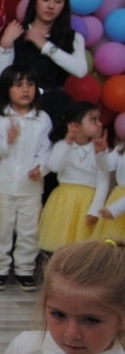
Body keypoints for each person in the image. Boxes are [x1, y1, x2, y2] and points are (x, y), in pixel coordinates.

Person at [0, 65, 52, 291]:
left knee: (29, 231)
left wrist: (39, 168)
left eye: (30, 84)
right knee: (1, 229)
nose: (25, 89)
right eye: (19, 85)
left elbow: (46, 151)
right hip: (2, 185)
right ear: (7, 89)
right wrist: (8, 141)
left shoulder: (42, 119)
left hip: (31, 188)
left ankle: (25, 270)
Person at [0, 0, 87, 124]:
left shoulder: (73, 38)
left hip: (54, 108)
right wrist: (5, 44)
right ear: (35, 1)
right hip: (19, 109)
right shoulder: (17, 32)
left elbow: (80, 71)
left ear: (64, 5)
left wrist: (45, 46)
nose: (51, 6)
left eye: (58, 1)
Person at [38, 101, 109, 253]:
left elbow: (103, 182)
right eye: (93, 120)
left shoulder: (100, 149)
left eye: (99, 119)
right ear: (75, 126)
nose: (100, 124)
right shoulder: (62, 145)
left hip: (87, 202)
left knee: (83, 247)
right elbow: (54, 167)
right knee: (61, 242)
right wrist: (67, 143)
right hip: (64, 201)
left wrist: (95, 209)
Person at [95, 131, 125, 240]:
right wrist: (101, 152)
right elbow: (105, 167)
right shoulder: (121, 149)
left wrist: (114, 209)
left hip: (119, 205)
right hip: (117, 198)